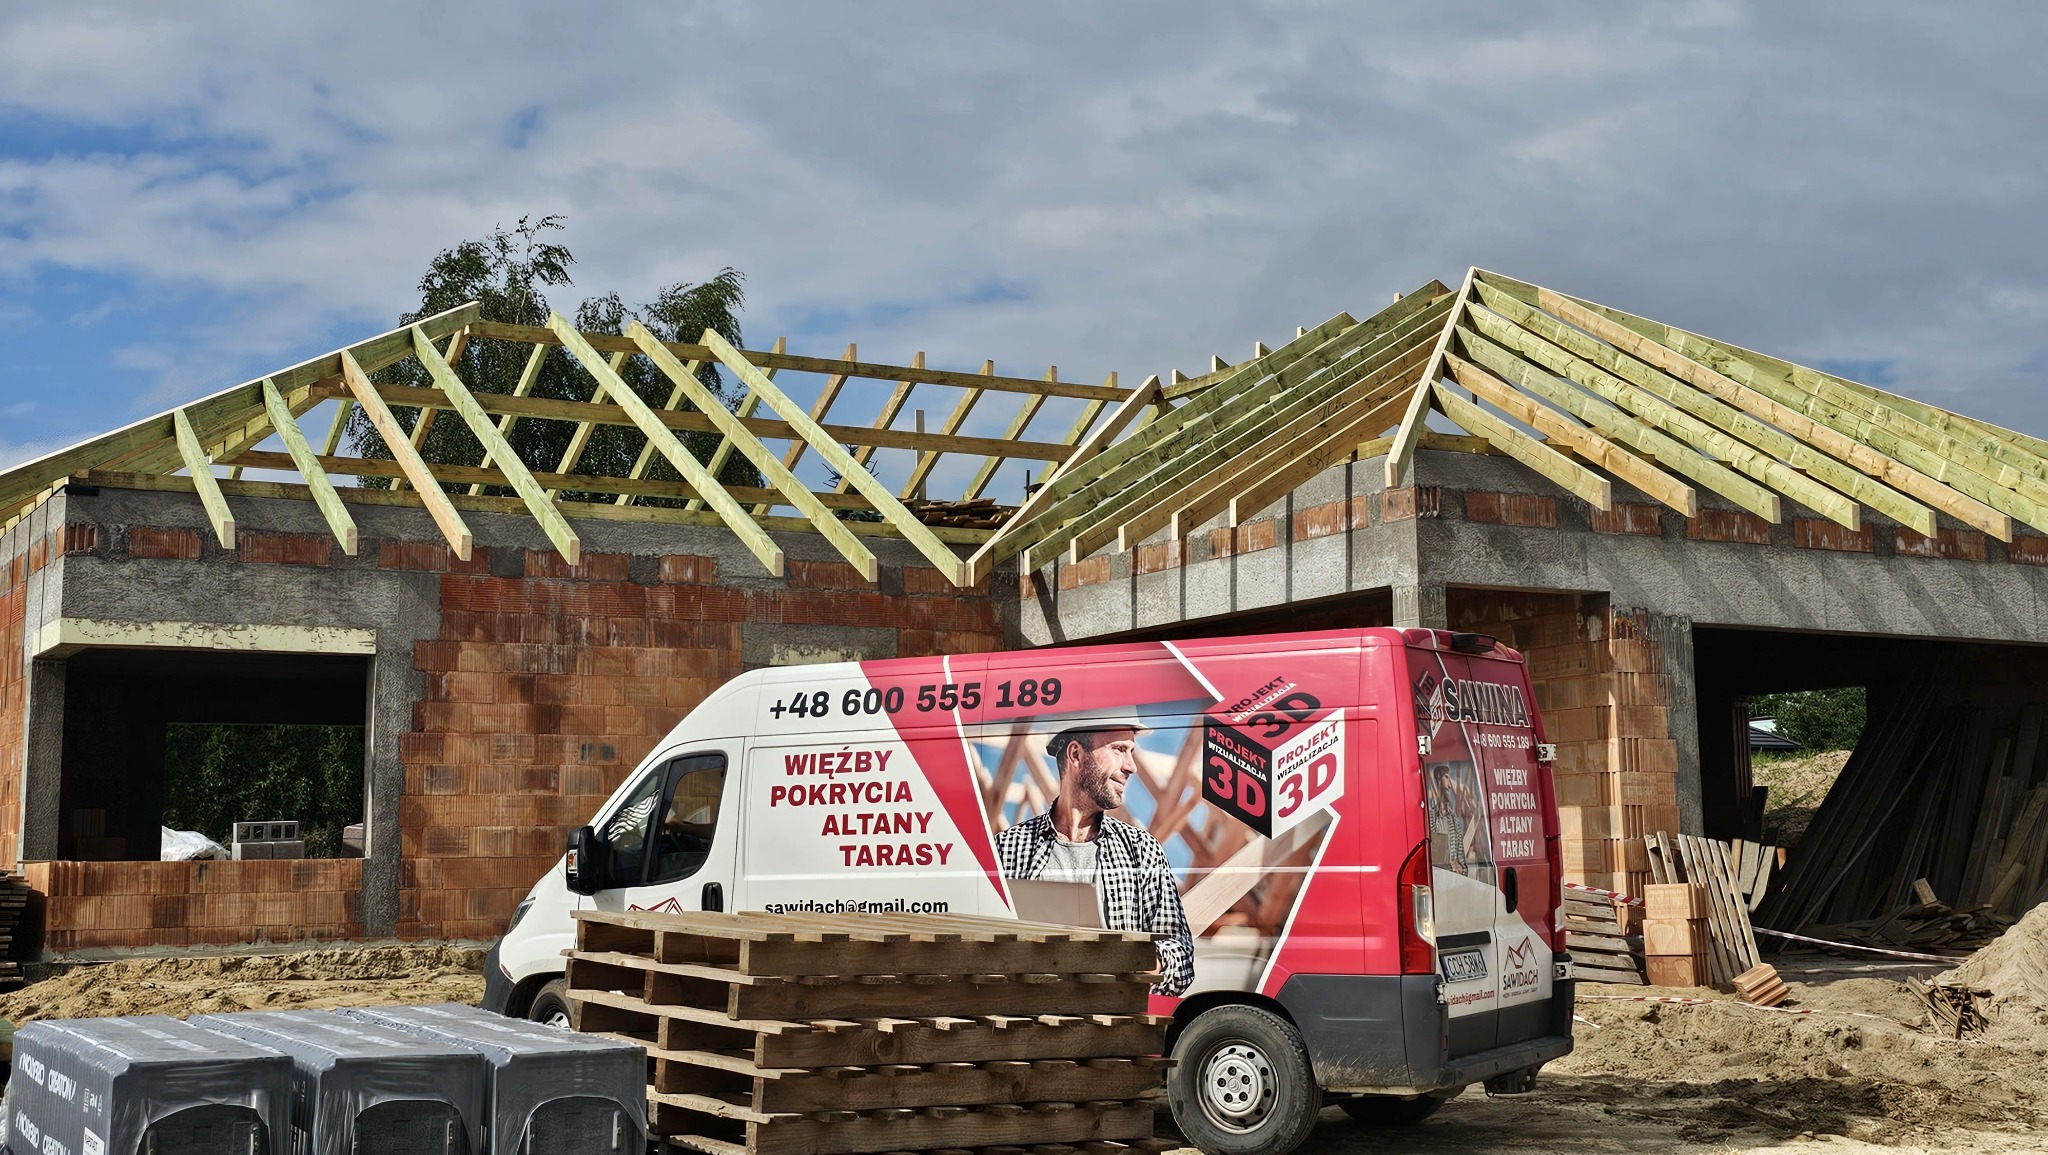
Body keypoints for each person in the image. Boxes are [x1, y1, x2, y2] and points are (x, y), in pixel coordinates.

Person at [996, 717, 1195, 996]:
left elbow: (1181, 954)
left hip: (1114, 1018)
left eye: (1131, 751)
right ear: (1076, 755)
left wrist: (1133, 964)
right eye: (1119, 749)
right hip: (1032, 1016)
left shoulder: (1141, 850)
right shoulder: (1008, 849)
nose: (1131, 766)